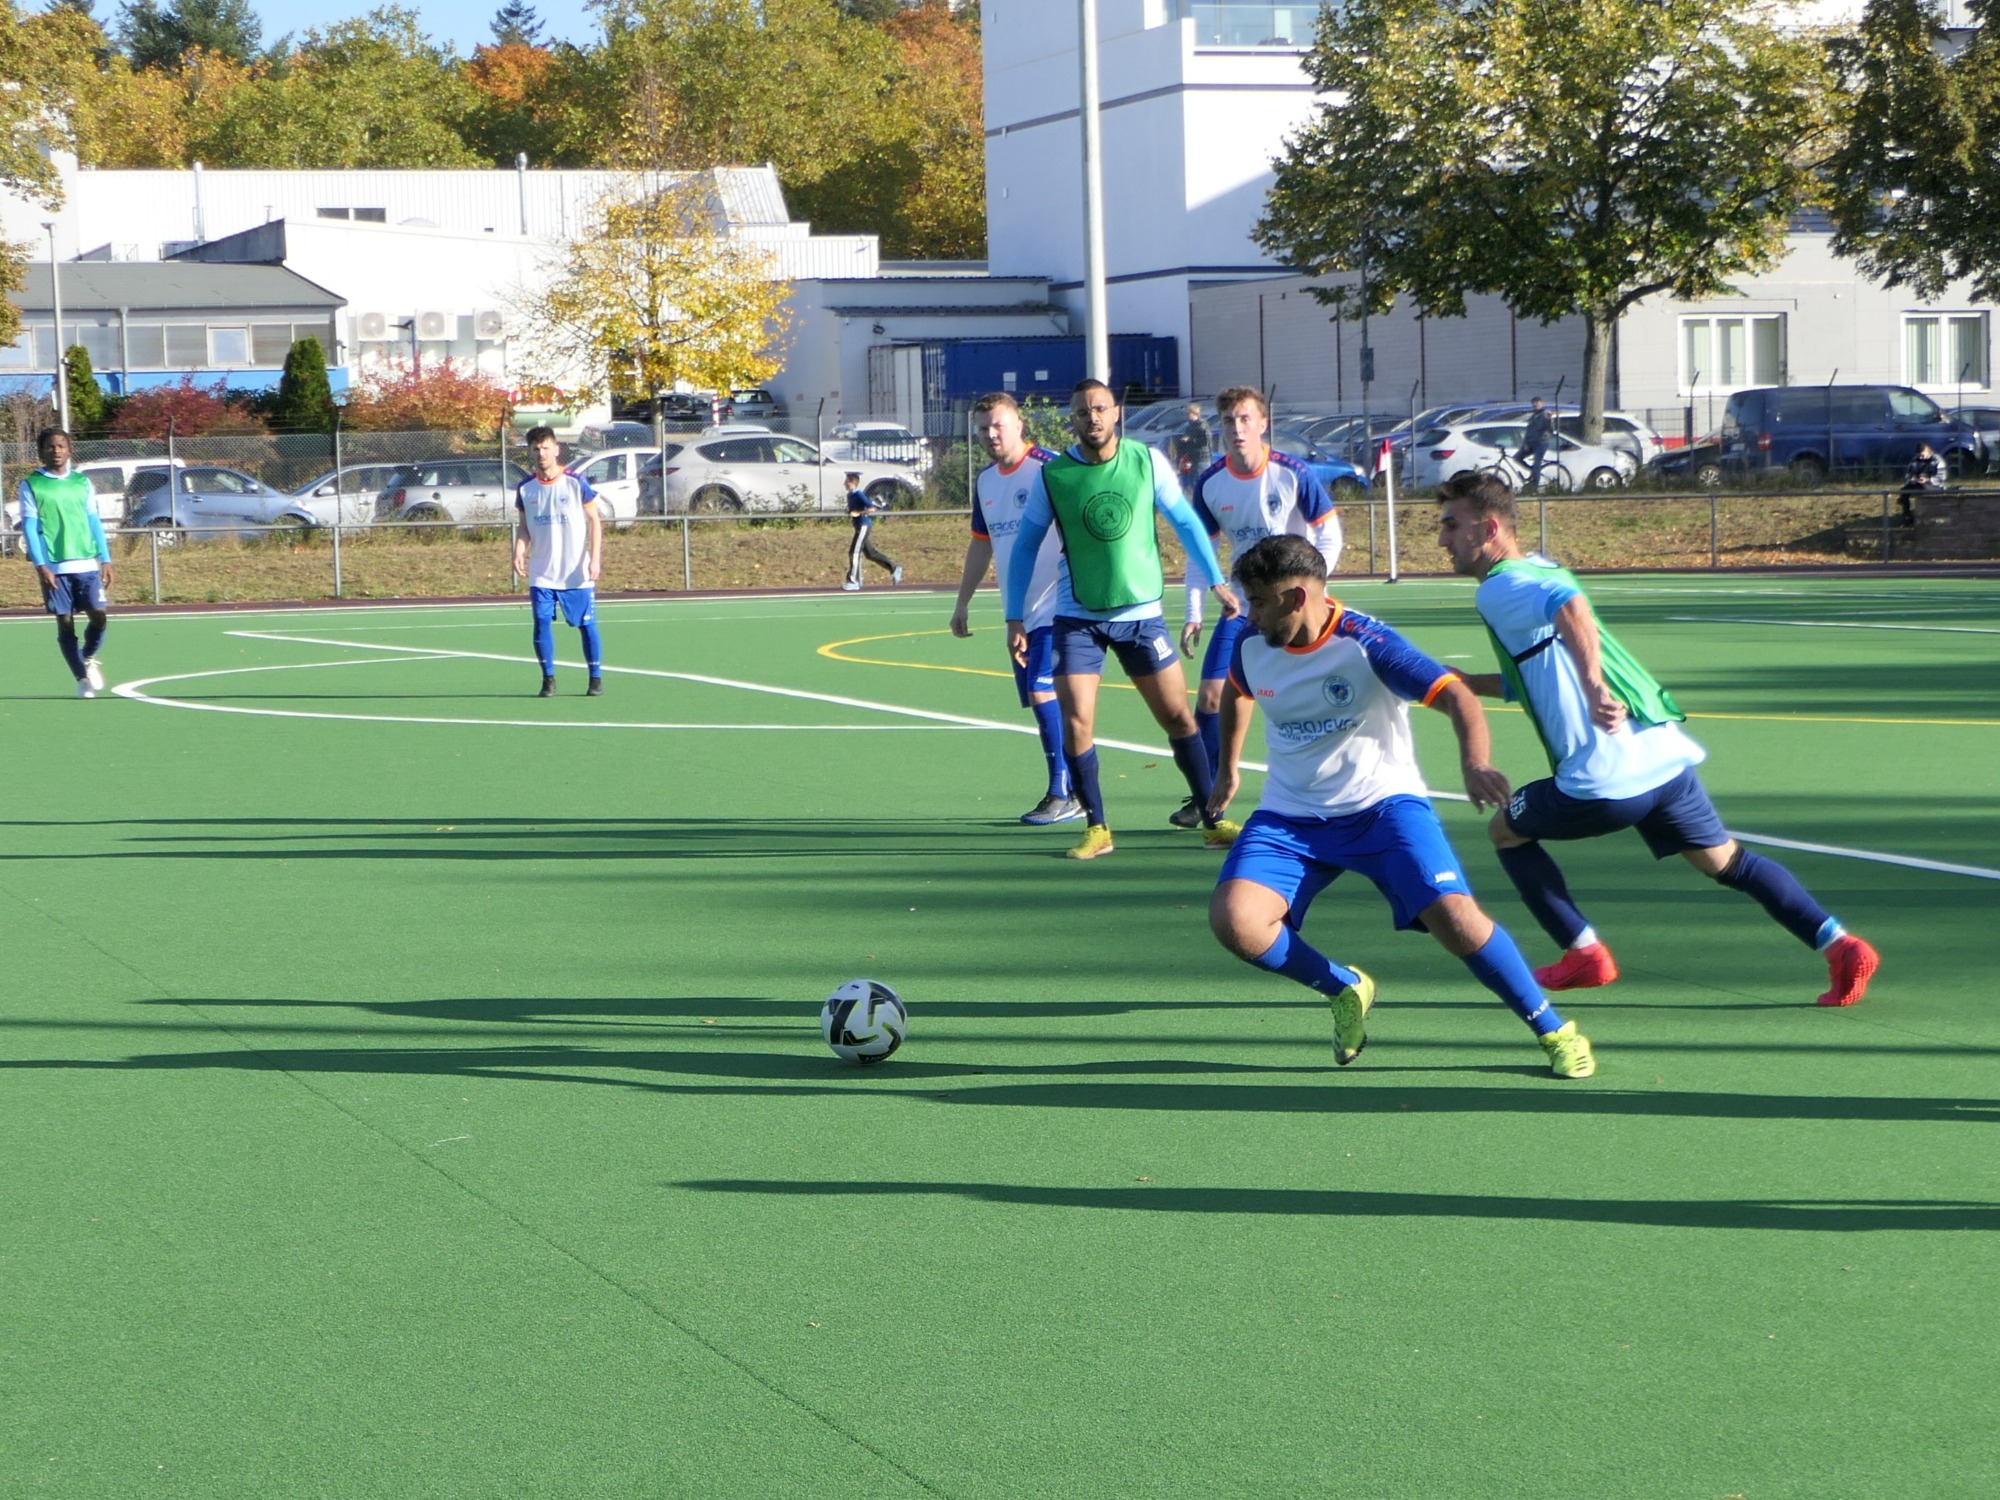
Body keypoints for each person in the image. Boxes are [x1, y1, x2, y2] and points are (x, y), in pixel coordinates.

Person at [1434, 471, 1879, 1006]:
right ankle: (1840, 945)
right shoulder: (1541, 565)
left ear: (1488, 529)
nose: (1442, 539)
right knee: (1727, 862)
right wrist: (1466, 682)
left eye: (1451, 525)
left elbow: (1569, 607)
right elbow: (1536, 671)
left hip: (1605, 780)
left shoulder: (1500, 587)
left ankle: (1583, 952)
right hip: (1662, 759)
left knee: (1506, 832)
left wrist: (1595, 687)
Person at [1206, 534, 1595, 1078]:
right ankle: (1344, 988)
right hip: (1290, 817)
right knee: (1236, 922)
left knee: (1456, 919)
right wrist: (1228, 768)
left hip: (1383, 808)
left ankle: (1553, 1029)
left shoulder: (1368, 642)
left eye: (1259, 602)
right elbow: (1236, 691)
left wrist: (1475, 763)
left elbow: (1456, 694)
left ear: (1296, 598)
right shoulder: (1252, 643)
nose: (1250, 615)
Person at [1003, 379, 1240, 860]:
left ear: (1115, 413)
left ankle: (1212, 821)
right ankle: (1097, 827)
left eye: (1100, 408)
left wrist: (1216, 580)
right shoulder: (1054, 476)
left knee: (1177, 717)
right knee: (1076, 721)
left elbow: (1186, 521)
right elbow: (1025, 546)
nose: (1091, 417)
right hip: (1077, 619)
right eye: (1081, 411)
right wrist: (1014, 617)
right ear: (1072, 419)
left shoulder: (1146, 461)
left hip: (1142, 617)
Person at [1175, 384, 1343, 830]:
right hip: (1243, 608)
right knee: (1211, 697)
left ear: (1263, 423)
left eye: (1246, 418)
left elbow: (1330, 534)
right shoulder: (1211, 483)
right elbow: (1201, 554)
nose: (1237, 428)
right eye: (1228, 420)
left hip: (1298, 609)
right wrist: (1194, 611)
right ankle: (1206, 798)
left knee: (1319, 696)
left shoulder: (1292, 473)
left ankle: (1334, 792)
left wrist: (1311, 589)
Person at [949, 393, 1081, 824]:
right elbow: (981, 544)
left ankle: (1061, 792)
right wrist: (963, 602)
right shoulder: (987, 481)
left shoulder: (1050, 468)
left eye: (998, 425)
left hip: (1060, 606)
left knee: (1045, 692)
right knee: (1045, 701)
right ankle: (1075, 788)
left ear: (1019, 425)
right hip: (1019, 613)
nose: (990, 434)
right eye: (983, 428)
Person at [17, 427, 112, 699]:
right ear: (41, 451)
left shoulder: (82, 483)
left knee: (99, 615)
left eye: (61, 445)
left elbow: (93, 521)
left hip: (86, 563)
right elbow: (30, 527)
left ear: (69, 450)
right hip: (55, 567)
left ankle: (88, 656)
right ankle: (81, 678)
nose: (56, 450)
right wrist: (41, 565)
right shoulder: (32, 484)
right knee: (66, 622)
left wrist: (105, 558)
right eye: (50, 446)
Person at [512, 424, 604, 697]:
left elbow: (594, 521)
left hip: (575, 570)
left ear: (556, 449)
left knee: (586, 625)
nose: (541, 453)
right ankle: (548, 678)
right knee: (541, 623)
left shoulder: (576, 482)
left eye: (546, 448)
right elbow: (524, 527)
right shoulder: (526, 488)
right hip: (542, 571)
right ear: (530, 452)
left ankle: (595, 678)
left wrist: (595, 559)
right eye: (536, 449)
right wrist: (519, 550)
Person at [843, 472, 901, 591]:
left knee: (854, 552)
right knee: (870, 553)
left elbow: (871, 508)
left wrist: (859, 513)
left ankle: (854, 581)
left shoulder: (859, 494)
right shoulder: (850, 495)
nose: (844, 483)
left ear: (852, 483)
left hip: (864, 526)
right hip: (858, 526)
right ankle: (894, 568)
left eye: (846, 481)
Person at [1167, 402, 1211, 494]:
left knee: (1200, 486)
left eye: (1189, 413)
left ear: (1196, 414)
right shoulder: (1190, 427)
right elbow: (1186, 443)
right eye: (1187, 414)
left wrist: (1190, 439)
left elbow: (1205, 442)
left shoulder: (1202, 425)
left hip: (1201, 460)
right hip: (1193, 460)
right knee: (1193, 485)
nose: (1187, 416)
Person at [1897, 441, 1945, 526]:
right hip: (1918, 485)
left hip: (1935, 486)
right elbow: (1908, 475)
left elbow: (1942, 478)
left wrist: (1928, 480)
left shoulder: (1938, 460)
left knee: (1922, 488)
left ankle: (1926, 516)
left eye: (1922, 455)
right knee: (1904, 491)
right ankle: (1907, 516)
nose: (1921, 458)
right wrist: (1912, 480)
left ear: (1928, 451)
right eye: (1919, 456)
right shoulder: (1914, 460)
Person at [1514, 397, 1556, 493]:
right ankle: (1534, 471)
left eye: (1538, 402)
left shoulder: (1545, 414)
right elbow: (1528, 431)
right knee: (1517, 457)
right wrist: (1525, 443)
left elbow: (1551, 430)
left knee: (1537, 463)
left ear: (1542, 403)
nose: (1535, 404)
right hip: (1531, 443)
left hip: (1541, 443)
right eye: (1534, 403)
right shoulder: (1533, 416)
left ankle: (1534, 488)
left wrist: (1549, 419)